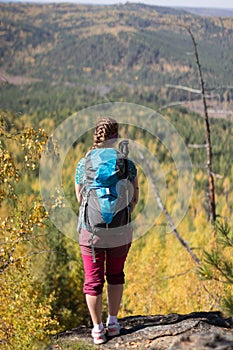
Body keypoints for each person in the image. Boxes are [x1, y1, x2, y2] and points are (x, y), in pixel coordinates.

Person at [75, 117, 139, 345]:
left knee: (92, 281)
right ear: (116, 136)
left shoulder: (84, 163)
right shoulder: (127, 164)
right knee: (115, 275)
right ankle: (113, 323)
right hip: (121, 231)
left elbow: (80, 198)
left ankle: (97, 329)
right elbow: (134, 198)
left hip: (91, 232)